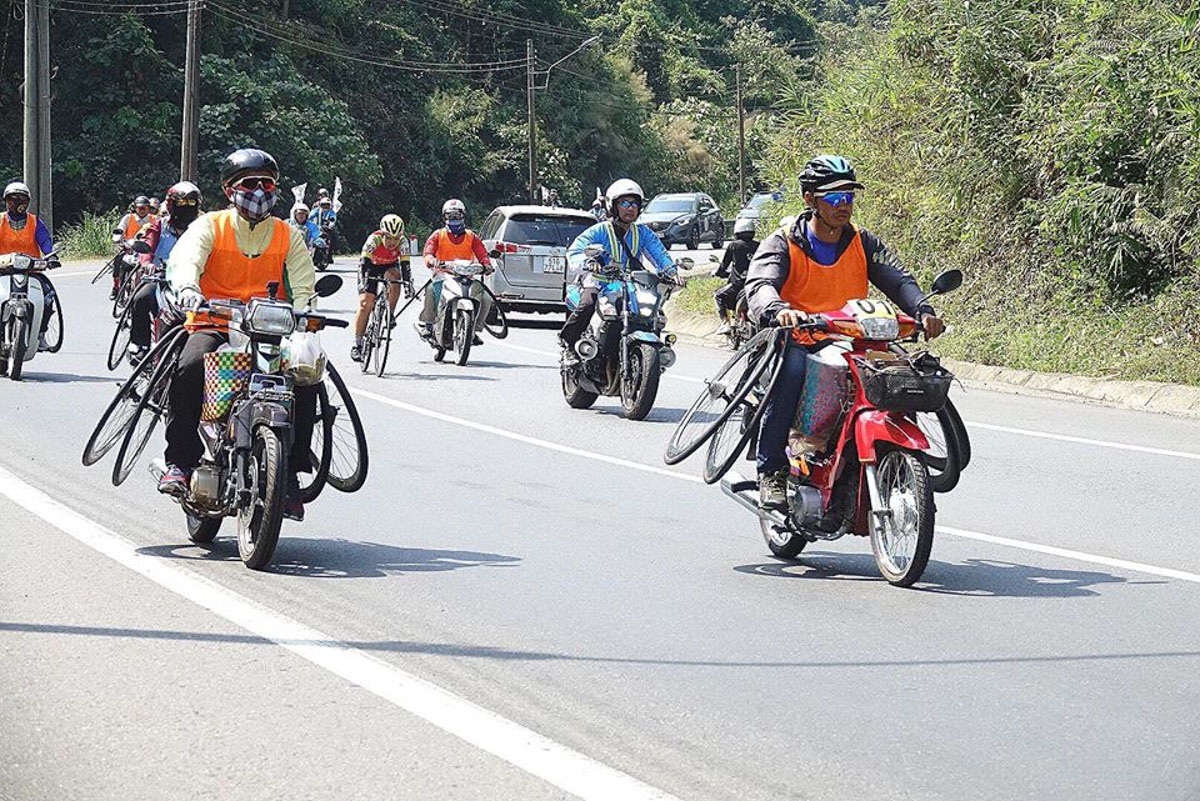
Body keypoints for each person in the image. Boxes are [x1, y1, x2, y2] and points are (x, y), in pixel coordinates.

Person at [745, 155, 945, 510]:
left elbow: (897, 279)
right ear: (810, 199)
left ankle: (888, 455)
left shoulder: (862, 241)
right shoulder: (783, 242)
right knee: (789, 373)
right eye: (835, 198)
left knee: (903, 374)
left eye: (850, 197)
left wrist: (923, 310)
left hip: (856, 337)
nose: (845, 206)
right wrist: (778, 310)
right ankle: (772, 470)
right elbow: (761, 283)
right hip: (798, 337)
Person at [158, 148, 318, 522]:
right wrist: (187, 290)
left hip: (271, 331)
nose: (260, 192)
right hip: (213, 322)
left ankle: (291, 474)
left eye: (267, 184)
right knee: (190, 365)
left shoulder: (287, 234)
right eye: (250, 184)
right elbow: (186, 262)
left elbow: (304, 281)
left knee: (307, 374)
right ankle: (179, 462)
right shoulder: (209, 225)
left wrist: (307, 309)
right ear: (230, 190)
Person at [559, 179, 681, 364]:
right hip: (600, 283)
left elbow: (660, 254)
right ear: (612, 206)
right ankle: (568, 344)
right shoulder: (599, 230)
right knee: (587, 304)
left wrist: (671, 272)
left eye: (634, 203)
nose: (630, 208)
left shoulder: (643, 233)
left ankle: (654, 357)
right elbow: (575, 252)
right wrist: (589, 262)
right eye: (624, 203)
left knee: (656, 315)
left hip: (633, 287)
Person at [126, 181, 203, 363]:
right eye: (182, 203)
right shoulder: (159, 226)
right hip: (162, 279)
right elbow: (148, 245)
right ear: (171, 204)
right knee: (141, 298)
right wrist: (147, 263)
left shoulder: (203, 228)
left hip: (194, 283)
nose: (186, 208)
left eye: (191, 203)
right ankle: (140, 345)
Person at [418, 199, 493, 346]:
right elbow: (428, 252)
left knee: (486, 298)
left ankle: (474, 329)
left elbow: (483, 254)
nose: (453, 219)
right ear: (444, 217)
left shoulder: (472, 237)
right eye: (450, 216)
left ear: (463, 216)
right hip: (443, 275)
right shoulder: (438, 235)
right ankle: (428, 325)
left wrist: (486, 265)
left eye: (456, 215)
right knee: (431, 290)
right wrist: (431, 260)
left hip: (466, 276)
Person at [0, 181, 58, 350]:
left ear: (28, 202)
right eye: (13, 199)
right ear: (6, 201)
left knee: (48, 298)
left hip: (30, 270)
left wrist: (51, 256)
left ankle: (40, 334)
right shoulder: (0, 220)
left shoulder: (35, 222)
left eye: (22, 199)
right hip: (2, 270)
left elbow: (45, 241)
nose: (18, 203)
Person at [352, 214, 411, 361]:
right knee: (366, 303)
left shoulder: (403, 243)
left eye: (396, 238)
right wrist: (363, 285)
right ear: (382, 233)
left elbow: (405, 267)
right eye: (389, 238)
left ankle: (389, 314)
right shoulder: (374, 240)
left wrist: (408, 286)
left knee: (396, 278)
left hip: (389, 266)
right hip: (370, 267)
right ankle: (357, 344)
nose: (392, 242)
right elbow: (363, 263)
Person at [714, 217, 759, 335]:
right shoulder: (759, 245)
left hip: (738, 285)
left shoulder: (733, 246)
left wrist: (719, 273)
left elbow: (724, 265)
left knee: (718, 295)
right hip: (757, 284)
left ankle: (725, 323)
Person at [111, 195, 157, 299]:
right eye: (139, 208)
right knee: (118, 262)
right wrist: (118, 238)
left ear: (149, 208)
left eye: (144, 208)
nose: (141, 210)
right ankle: (116, 286)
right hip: (128, 248)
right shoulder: (128, 218)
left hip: (145, 250)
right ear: (135, 208)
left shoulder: (154, 219)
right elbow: (120, 229)